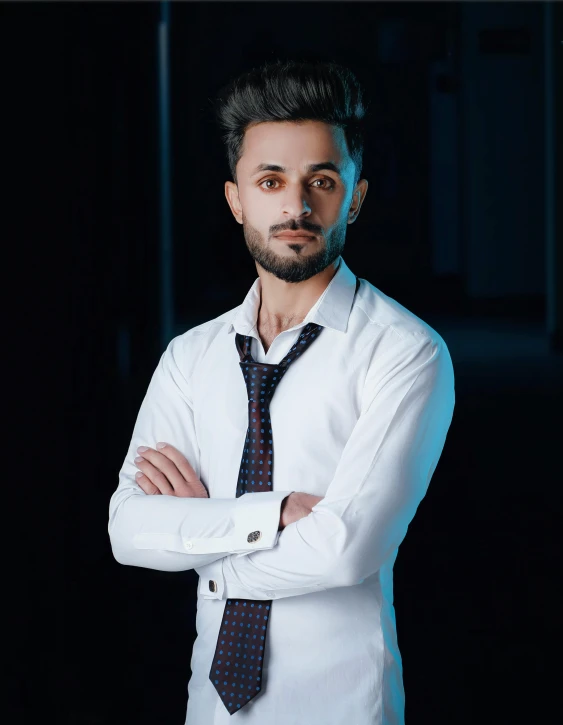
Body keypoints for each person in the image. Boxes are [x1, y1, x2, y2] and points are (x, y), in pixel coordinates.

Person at [108, 59, 455, 725]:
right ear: (237, 197)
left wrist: (202, 546)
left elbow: (346, 546)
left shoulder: (404, 352)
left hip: (340, 708)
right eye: (270, 181)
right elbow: (127, 528)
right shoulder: (189, 358)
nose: (295, 207)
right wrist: (275, 513)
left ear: (352, 197)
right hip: (210, 708)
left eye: (320, 182)